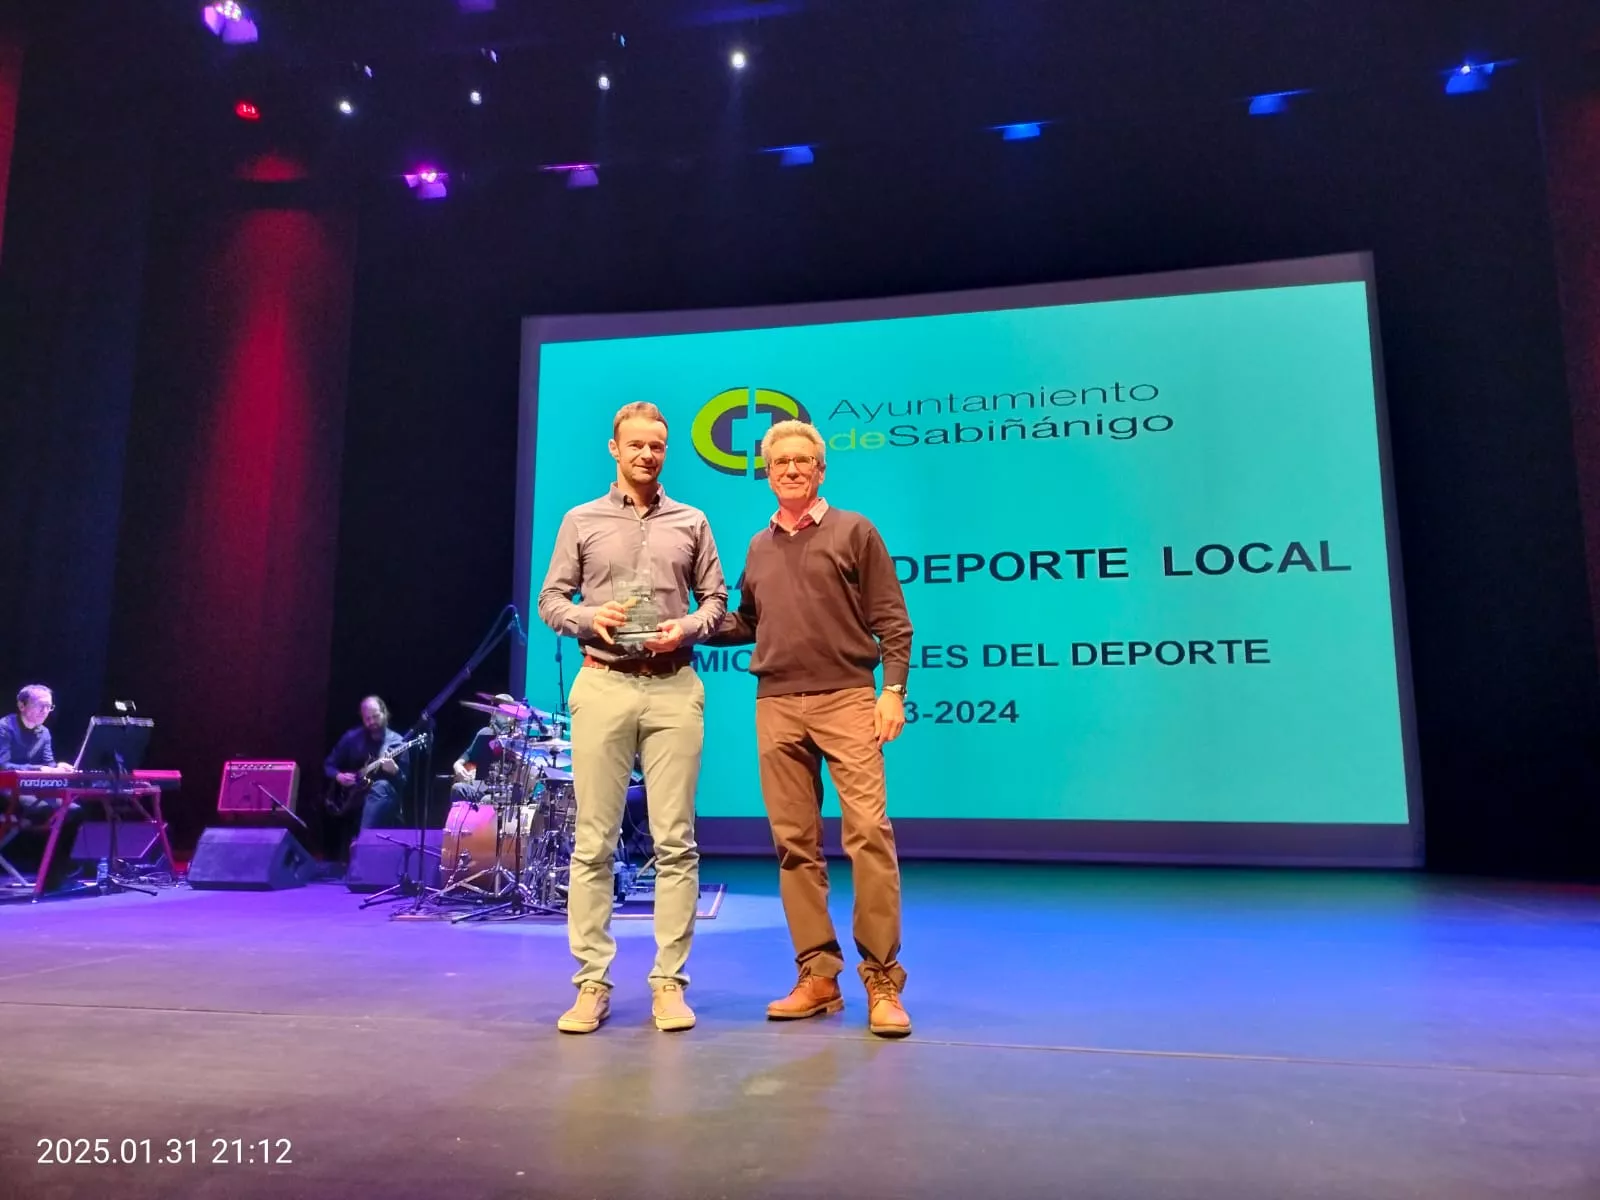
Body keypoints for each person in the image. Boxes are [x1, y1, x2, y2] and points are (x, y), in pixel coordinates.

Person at [708, 419, 914, 1038]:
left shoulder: (855, 531)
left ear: (821, 470)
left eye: (803, 461)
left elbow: (894, 624)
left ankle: (881, 978)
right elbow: (748, 621)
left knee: (869, 835)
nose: (792, 470)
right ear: (766, 473)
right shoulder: (757, 546)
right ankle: (818, 977)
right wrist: (687, 624)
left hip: (848, 699)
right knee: (794, 845)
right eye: (781, 463)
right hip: (776, 704)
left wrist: (893, 691)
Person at [537, 401, 727, 1035]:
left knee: (677, 842)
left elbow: (718, 600)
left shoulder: (691, 520)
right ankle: (591, 982)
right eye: (637, 445)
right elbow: (551, 600)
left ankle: (669, 983)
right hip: (604, 682)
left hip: (673, 686)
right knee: (593, 842)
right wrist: (593, 619)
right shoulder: (581, 520)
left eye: (658, 445)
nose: (648, 454)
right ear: (614, 449)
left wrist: (689, 627)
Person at [0, 684, 86, 887]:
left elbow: (48, 765)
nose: (45, 711)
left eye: (49, 707)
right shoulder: (4, 727)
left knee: (74, 811)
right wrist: (42, 770)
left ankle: (56, 874)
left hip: (31, 791)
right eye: (40, 706)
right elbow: (2, 766)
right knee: (48, 810)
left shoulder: (44, 733)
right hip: (6, 791)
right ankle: (45, 873)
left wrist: (58, 767)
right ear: (22, 705)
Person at [321, 696, 409, 859]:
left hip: (385, 797)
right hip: (354, 795)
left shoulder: (398, 742)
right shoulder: (352, 738)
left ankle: (362, 843)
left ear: (385, 713)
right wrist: (339, 776)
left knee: (380, 785)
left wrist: (395, 771)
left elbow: (404, 782)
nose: (372, 722)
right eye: (367, 719)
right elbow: (328, 765)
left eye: (375, 716)